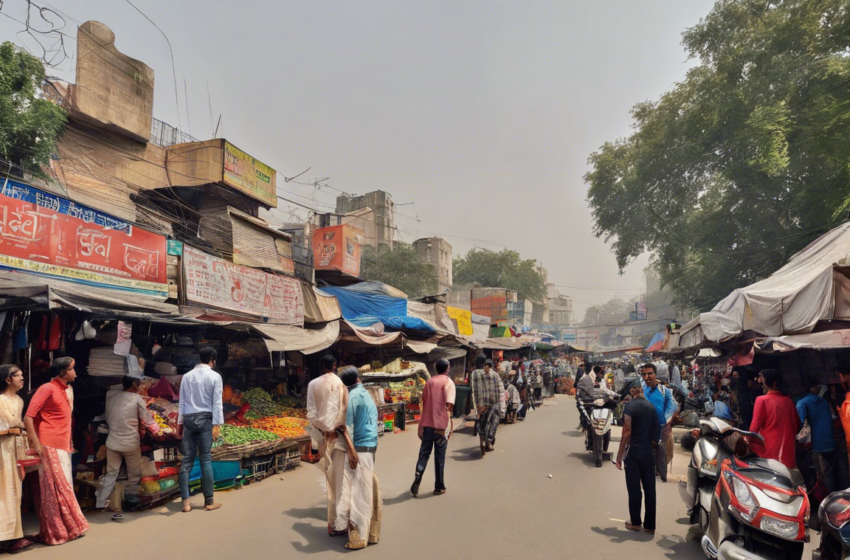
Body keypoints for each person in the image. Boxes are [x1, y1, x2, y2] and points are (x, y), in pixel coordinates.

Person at [24, 357, 89, 545]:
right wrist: (36, 444)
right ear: (62, 372)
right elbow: (29, 417)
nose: (75, 372)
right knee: (54, 490)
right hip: (48, 443)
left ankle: (69, 527)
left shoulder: (68, 389)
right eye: (72, 369)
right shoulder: (47, 388)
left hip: (62, 443)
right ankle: (57, 531)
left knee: (65, 484)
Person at [96, 375, 160, 510]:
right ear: (134, 384)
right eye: (138, 382)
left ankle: (100, 502)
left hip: (112, 442)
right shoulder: (136, 398)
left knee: (111, 472)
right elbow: (147, 419)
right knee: (134, 473)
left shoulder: (112, 399)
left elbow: (108, 417)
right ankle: (131, 500)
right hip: (130, 443)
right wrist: (157, 429)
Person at [335, 367, 381, 550]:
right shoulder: (365, 393)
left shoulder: (351, 398)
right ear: (358, 378)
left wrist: (351, 452)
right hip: (370, 446)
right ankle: (371, 534)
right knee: (366, 490)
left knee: (358, 495)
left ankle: (358, 538)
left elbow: (346, 428)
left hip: (359, 448)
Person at [306, 354, 349, 535]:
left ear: (322, 366)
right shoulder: (341, 383)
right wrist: (335, 430)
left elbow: (311, 415)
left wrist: (325, 431)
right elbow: (344, 411)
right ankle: (341, 520)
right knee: (342, 479)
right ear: (334, 365)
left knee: (331, 480)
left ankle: (334, 522)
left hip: (325, 438)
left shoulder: (313, 384)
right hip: (340, 437)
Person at [177, 347, 224, 513]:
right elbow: (217, 402)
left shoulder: (187, 376)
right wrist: (217, 424)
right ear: (212, 359)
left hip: (188, 420)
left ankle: (186, 504)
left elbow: (181, 402)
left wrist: (179, 425)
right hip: (205, 419)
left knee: (186, 460)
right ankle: (209, 501)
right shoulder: (215, 376)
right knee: (205, 459)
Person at [615, 380, 661, 536]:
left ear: (631, 392)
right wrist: (649, 448)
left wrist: (620, 455)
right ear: (641, 390)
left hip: (633, 453)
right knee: (650, 489)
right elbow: (657, 434)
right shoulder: (652, 408)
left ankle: (635, 522)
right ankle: (650, 525)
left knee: (634, 488)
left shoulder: (630, 407)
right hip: (648, 452)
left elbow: (626, 431)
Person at [411, 359, 455, 496]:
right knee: (439, 457)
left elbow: (424, 403)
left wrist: (421, 425)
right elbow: (449, 405)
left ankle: (418, 474)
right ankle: (439, 486)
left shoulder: (429, 382)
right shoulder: (448, 382)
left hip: (427, 424)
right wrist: (448, 424)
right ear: (447, 368)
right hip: (440, 427)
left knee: (424, 454)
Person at [0, 365, 31, 552]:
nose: (22, 377)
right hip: (1, 449)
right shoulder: (0, 400)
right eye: (17, 375)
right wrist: (11, 430)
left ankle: (13, 536)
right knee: (3, 492)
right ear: (7, 380)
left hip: (15, 449)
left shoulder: (19, 400)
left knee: (15, 492)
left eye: (21, 374)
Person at [749, 369, 800, 469]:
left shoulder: (761, 400)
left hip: (769, 453)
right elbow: (797, 424)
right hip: (788, 452)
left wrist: (748, 442)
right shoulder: (789, 401)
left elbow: (754, 429)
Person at [797, 384, 840, 492]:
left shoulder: (802, 403)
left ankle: (832, 497)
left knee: (824, 473)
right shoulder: (823, 400)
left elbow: (800, 422)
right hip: (831, 442)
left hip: (818, 445)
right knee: (837, 470)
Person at [640, 363, 677, 483]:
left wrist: (665, 422)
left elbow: (673, 408)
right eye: (644, 374)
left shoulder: (665, 391)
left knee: (660, 452)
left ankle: (661, 474)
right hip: (645, 429)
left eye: (650, 373)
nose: (647, 377)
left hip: (661, 428)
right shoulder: (642, 391)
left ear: (655, 374)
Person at [471, 358, 503, 455]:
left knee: (482, 421)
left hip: (481, 404)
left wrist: (476, 404)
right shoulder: (496, 375)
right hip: (492, 403)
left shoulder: (476, 373)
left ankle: (484, 439)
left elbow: (473, 388)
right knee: (495, 419)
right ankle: (489, 440)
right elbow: (500, 390)